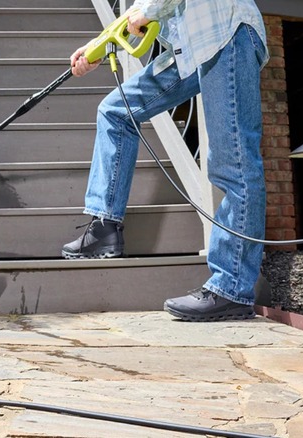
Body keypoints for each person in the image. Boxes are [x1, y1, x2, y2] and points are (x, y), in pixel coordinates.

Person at [62, 0, 269, 322]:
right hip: (191, 47)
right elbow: (139, 11)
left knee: (234, 165)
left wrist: (147, 10)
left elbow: (147, 9)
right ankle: (105, 227)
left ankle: (232, 288)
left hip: (225, 32)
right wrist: (97, 47)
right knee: (116, 111)